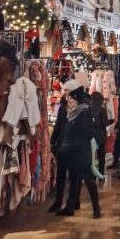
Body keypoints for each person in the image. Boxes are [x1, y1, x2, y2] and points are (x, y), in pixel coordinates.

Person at [55, 86, 101, 218]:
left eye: (71, 98)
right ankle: (70, 206)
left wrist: (74, 144)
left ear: (76, 100)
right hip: (72, 153)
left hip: (81, 152)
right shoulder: (72, 112)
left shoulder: (84, 113)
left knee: (88, 180)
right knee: (74, 179)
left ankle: (96, 208)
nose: (68, 101)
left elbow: (88, 133)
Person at [48, 79, 80, 212]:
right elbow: (58, 125)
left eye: (67, 91)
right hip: (62, 145)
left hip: (74, 146)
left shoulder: (80, 106)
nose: (65, 93)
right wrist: (52, 141)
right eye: (65, 91)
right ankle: (58, 201)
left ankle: (73, 202)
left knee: (74, 176)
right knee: (60, 175)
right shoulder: (62, 106)